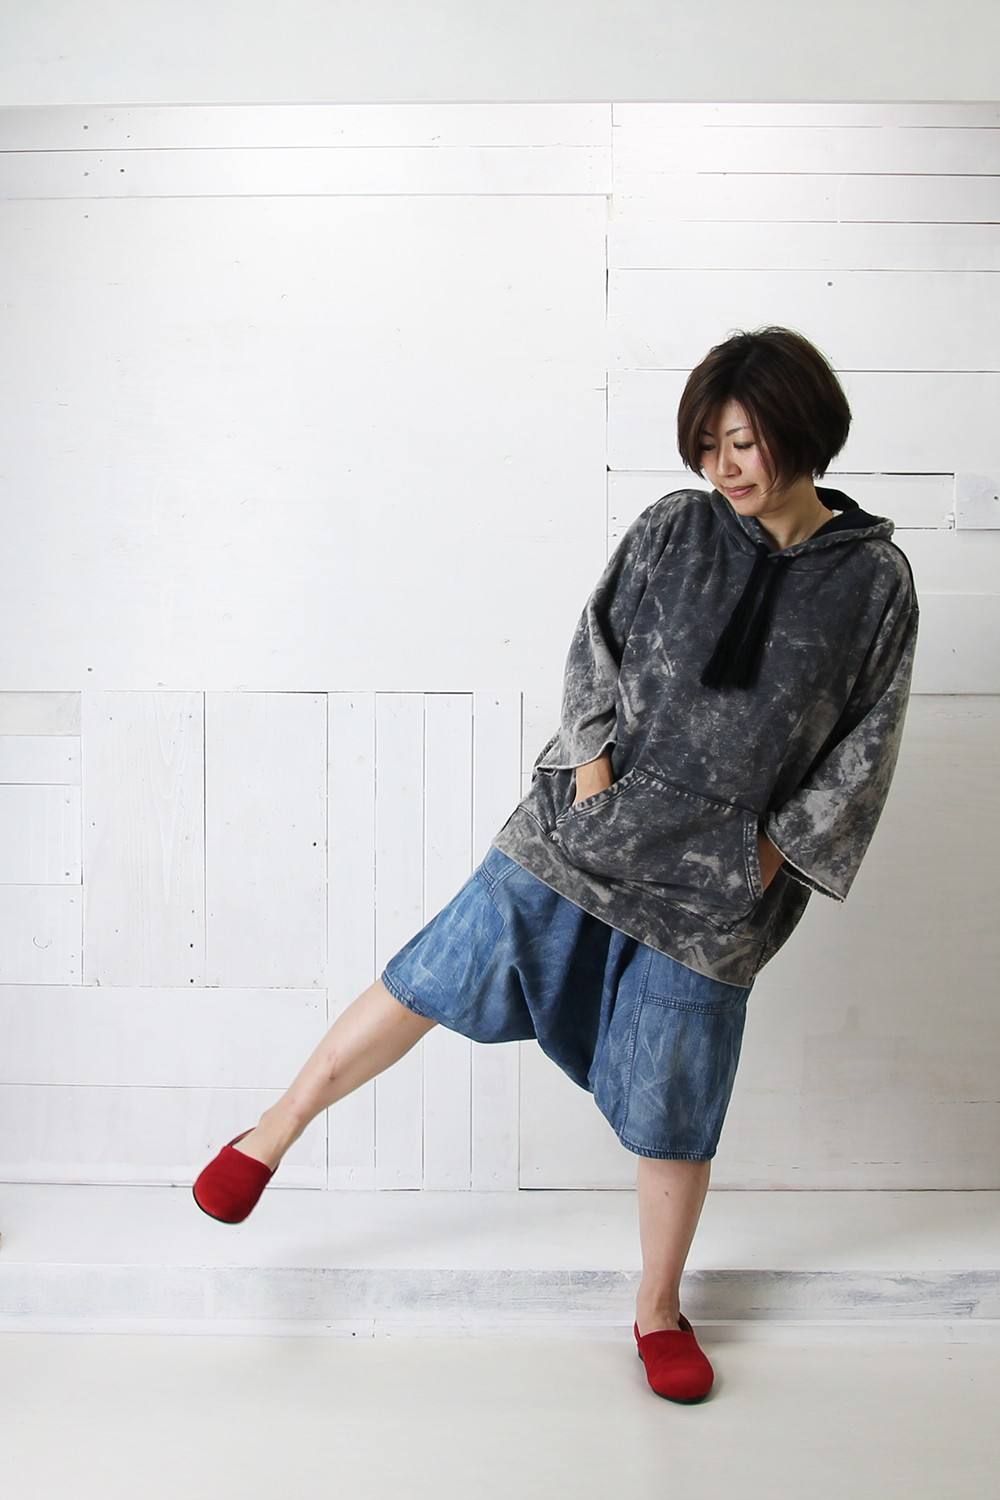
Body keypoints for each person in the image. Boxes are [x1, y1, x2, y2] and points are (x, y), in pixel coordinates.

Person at [192, 325, 919, 1404]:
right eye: (708, 445)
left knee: (678, 1092)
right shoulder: (674, 526)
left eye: (742, 443)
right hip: (587, 829)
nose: (722, 468)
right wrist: (590, 771)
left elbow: (867, 742)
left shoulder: (875, 583)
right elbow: (595, 647)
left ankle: (658, 1309)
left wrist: (766, 855)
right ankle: (271, 1133)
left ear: (802, 431)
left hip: (715, 889)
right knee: (440, 966)